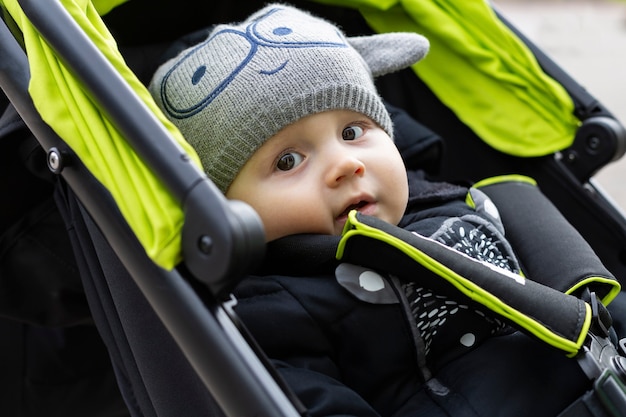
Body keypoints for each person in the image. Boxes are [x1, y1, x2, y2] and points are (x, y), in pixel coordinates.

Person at [149, 4, 599, 416]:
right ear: (226, 207)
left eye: (353, 131)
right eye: (288, 161)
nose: (346, 164)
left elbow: (584, 286)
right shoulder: (273, 306)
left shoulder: (453, 197)